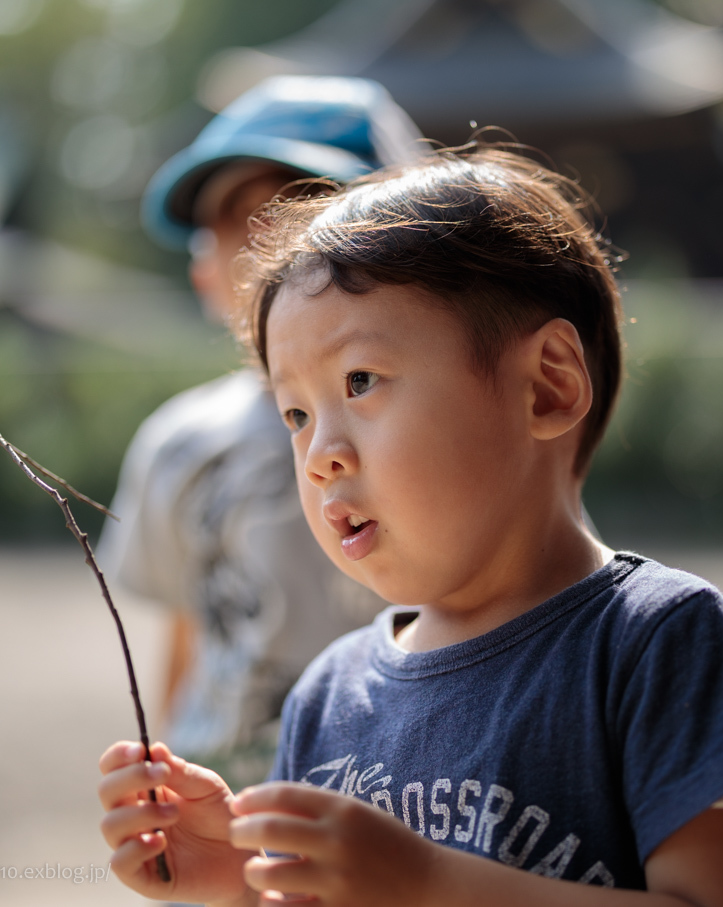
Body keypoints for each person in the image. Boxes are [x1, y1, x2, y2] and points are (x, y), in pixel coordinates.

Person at [96, 146, 723, 906]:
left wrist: (426, 883)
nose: (319, 455)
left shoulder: (655, 642)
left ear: (547, 386)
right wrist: (243, 883)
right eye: (296, 414)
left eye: (361, 381)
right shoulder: (325, 697)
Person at [98, 76, 426, 788]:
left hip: (407, 807)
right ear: (204, 273)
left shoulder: (451, 428)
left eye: (300, 208)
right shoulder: (181, 444)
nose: (267, 250)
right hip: (235, 816)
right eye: (231, 225)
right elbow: (191, 634)